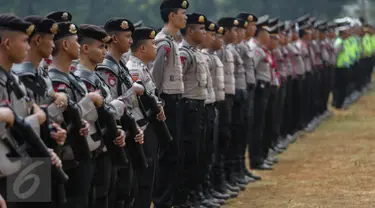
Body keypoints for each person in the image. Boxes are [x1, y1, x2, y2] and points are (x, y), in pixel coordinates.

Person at [0, 14, 61, 208]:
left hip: (25, 166)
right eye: (25, 41)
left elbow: (27, 116)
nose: (28, 47)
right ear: (7, 43)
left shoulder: (14, 80)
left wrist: (50, 129)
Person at [46, 15, 104, 208]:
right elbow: (61, 117)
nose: (79, 46)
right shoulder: (55, 79)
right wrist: (88, 103)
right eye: (75, 41)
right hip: (67, 156)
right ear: (64, 45)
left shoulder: (71, 78)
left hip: (81, 153)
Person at [73, 24, 126, 208]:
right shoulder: (81, 78)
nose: (105, 51)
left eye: (105, 47)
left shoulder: (96, 77)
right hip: (93, 148)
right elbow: (95, 113)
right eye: (101, 47)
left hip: (105, 145)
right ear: (85, 48)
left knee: (107, 196)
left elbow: (107, 110)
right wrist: (118, 106)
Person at [96, 17, 144, 208]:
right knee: (117, 192)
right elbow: (111, 108)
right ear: (114, 39)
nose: (132, 41)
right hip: (117, 137)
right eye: (128, 36)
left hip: (128, 132)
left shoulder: (120, 66)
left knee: (127, 190)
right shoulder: (106, 68)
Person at [151, 0, 189, 207]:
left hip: (176, 101)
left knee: (175, 154)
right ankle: (162, 201)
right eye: (182, 13)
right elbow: (155, 79)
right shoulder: (163, 42)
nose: (185, 17)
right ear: (172, 16)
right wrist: (158, 105)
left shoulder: (172, 41)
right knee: (167, 155)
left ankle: (169, 200)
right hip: (167, 103)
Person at [126, 27, 165, 208]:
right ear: (142, 48)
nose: (156, 47)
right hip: (143, 127)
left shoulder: (143, 67)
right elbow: (137, 104)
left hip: (149, 127)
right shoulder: (134, 69)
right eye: (153, 44)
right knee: (143, 180)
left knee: (149, 179)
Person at [199, 19, 227, 206]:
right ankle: (199, 192)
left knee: (211, 149)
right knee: (201, 152)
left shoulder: (209, 57)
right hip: (200, 107)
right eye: (212, 34)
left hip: (213, 104)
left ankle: (207, 189)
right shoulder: (198, 55)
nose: (217, 38)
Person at [214, 16, 240, 195]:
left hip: (227, 96)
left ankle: (228, 176)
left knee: (229, 136)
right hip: (218, 99)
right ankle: (219, 181)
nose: (237, 34)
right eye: (234, 30)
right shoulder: (218, 51)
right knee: (220, 140)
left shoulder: (226, 50)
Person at [235, 12, 262, 181]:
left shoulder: (245, 46)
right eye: (249, 26)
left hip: (247, 89)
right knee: (238, 130)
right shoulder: (239, 47)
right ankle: (236, 170)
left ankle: (241, 168)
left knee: (244, 129)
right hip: (240, 90)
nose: (252, 29)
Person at [249, 15, 273, 170]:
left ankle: (261, 156)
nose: (269, 36)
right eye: (267, 33)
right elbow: (251, 67)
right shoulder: (256, 50)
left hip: (264, 87)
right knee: (257, 125)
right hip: (259, 88)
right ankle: (256, 159)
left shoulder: (261, 49)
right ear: (261, 34)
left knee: (263, 123)